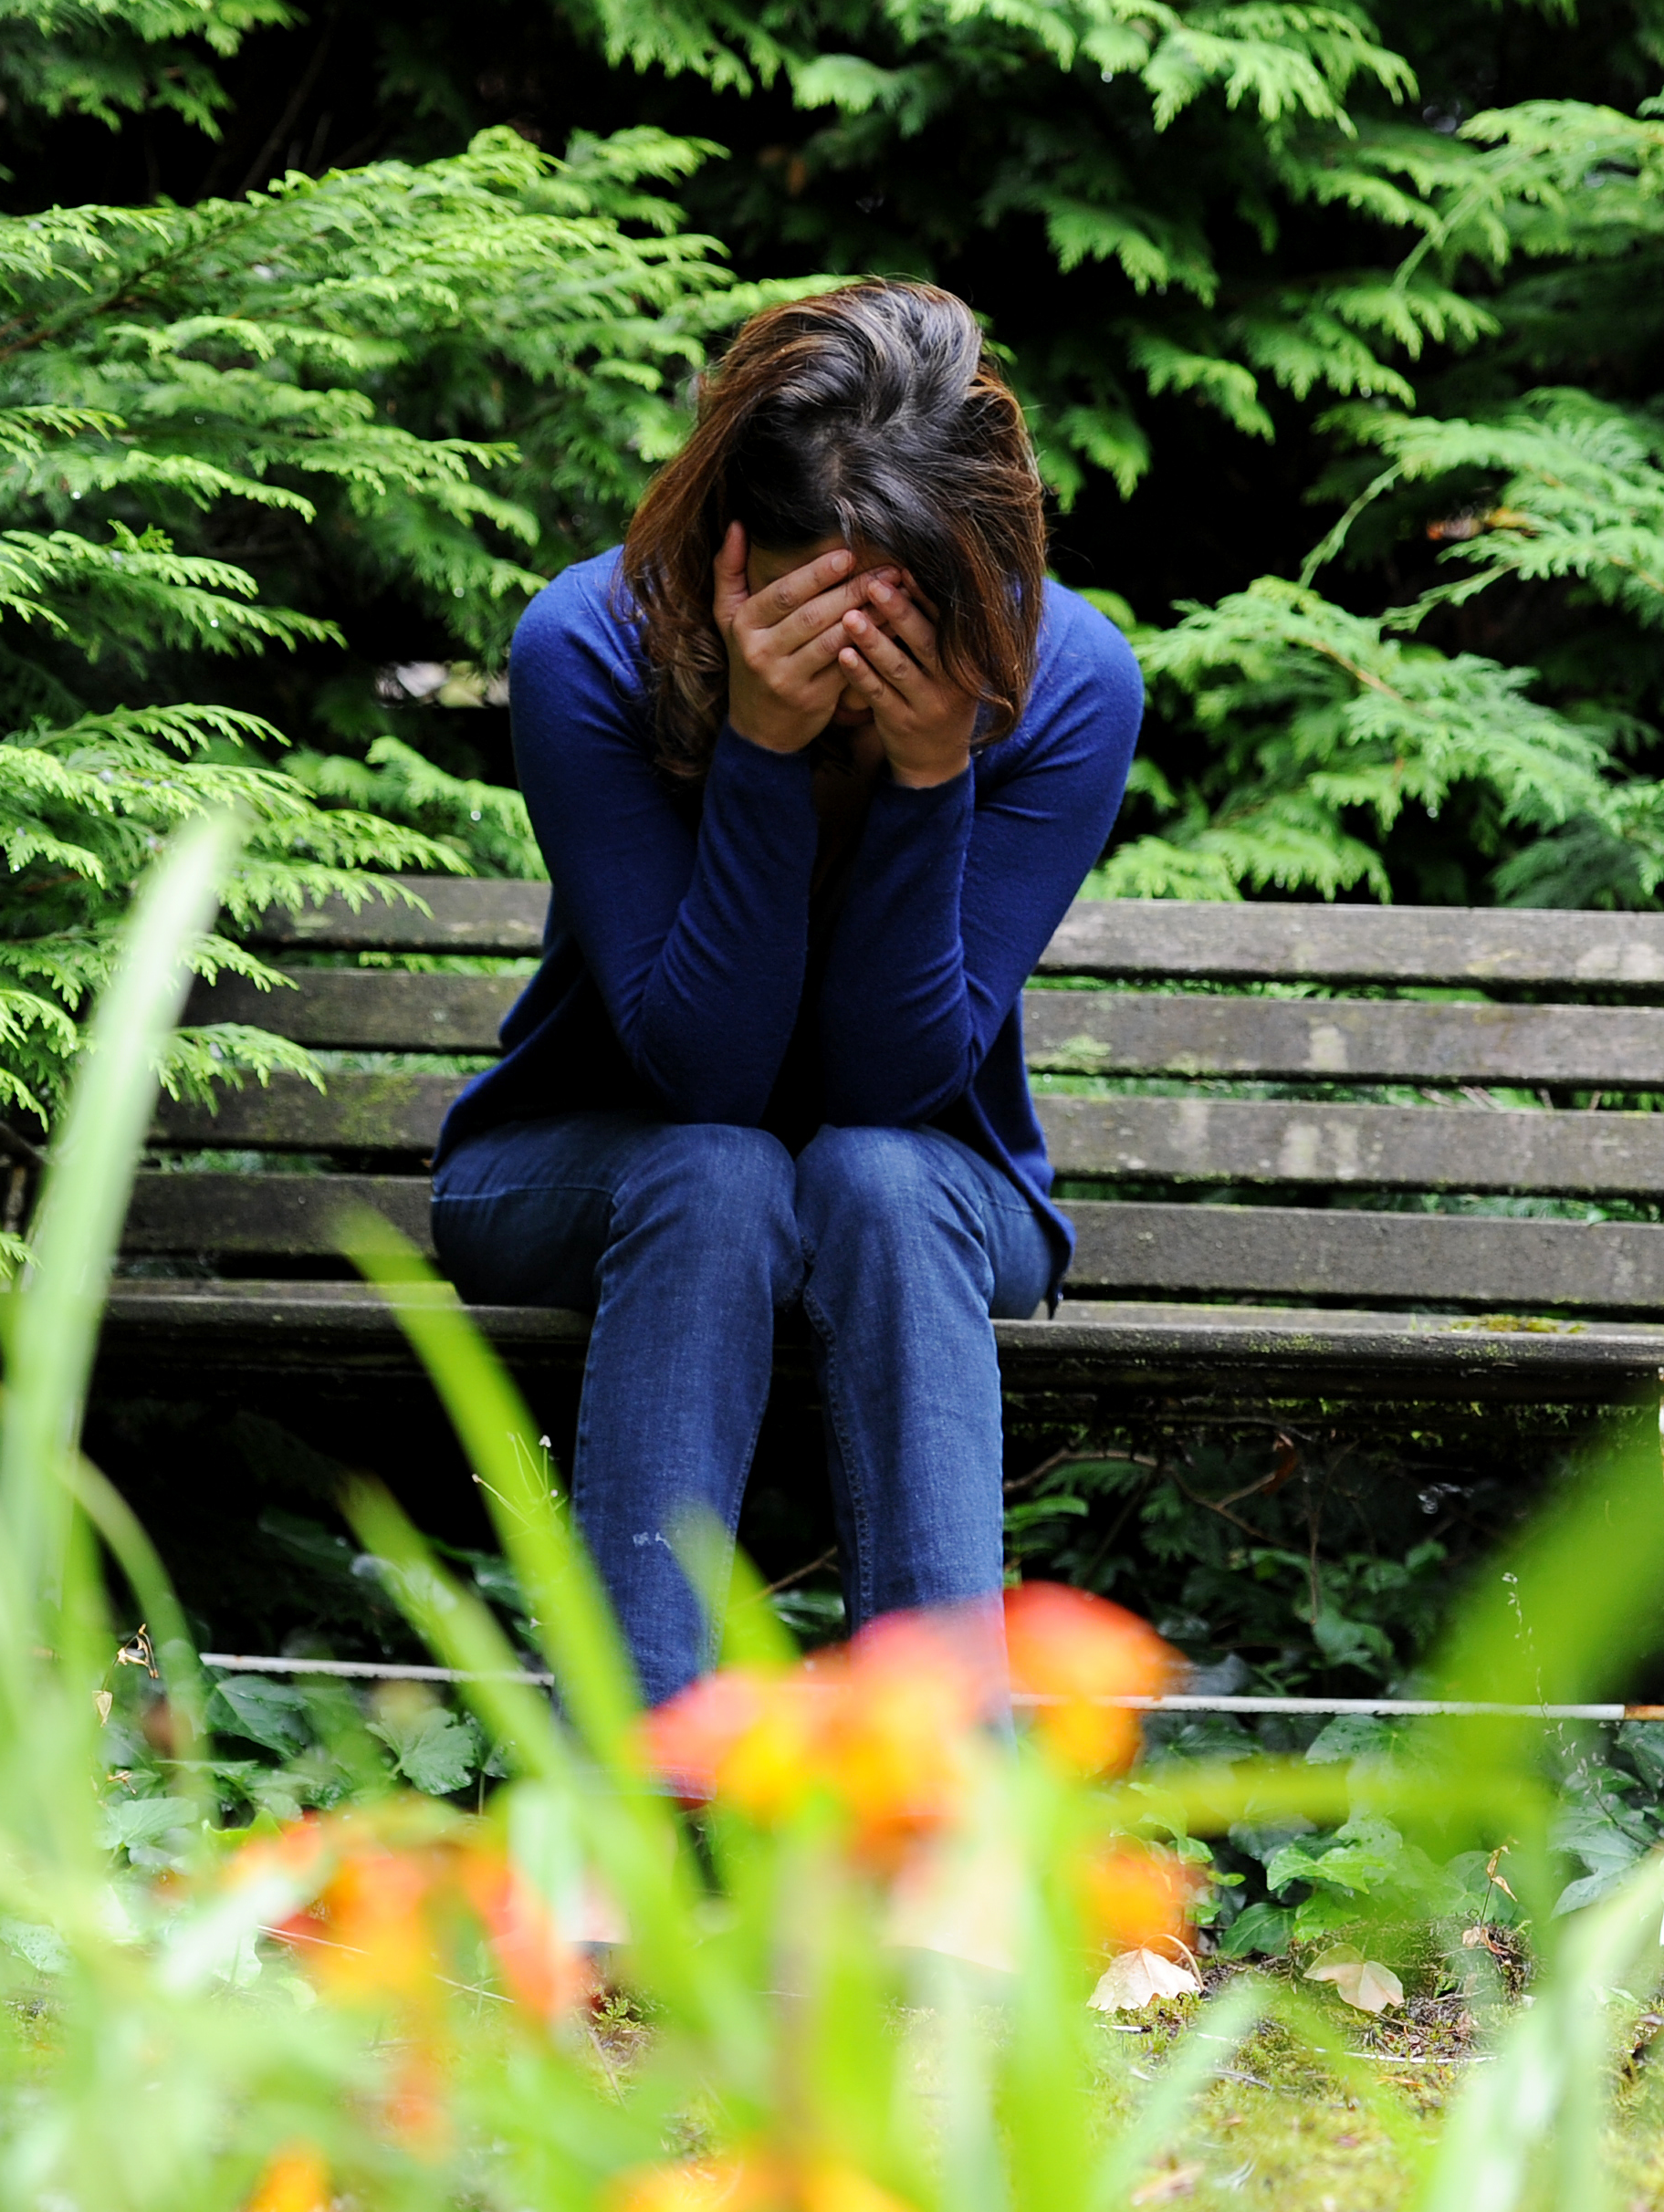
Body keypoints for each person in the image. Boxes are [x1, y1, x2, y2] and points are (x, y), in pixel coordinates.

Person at [430, 278, 1143, 1706]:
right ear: (734, 550)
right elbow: (706, 1078)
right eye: (821, 604)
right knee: (718, 1171)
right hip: (584, 1162)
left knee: (876, 1176)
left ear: (984, 562)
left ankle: (944, 1795)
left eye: (909, 610)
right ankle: (634, 1788)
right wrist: (759, 750)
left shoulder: (1064, 680)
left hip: (941, 1188)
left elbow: (896, 1088)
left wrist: (931, 774)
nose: (861, 651)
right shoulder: (592, 645)